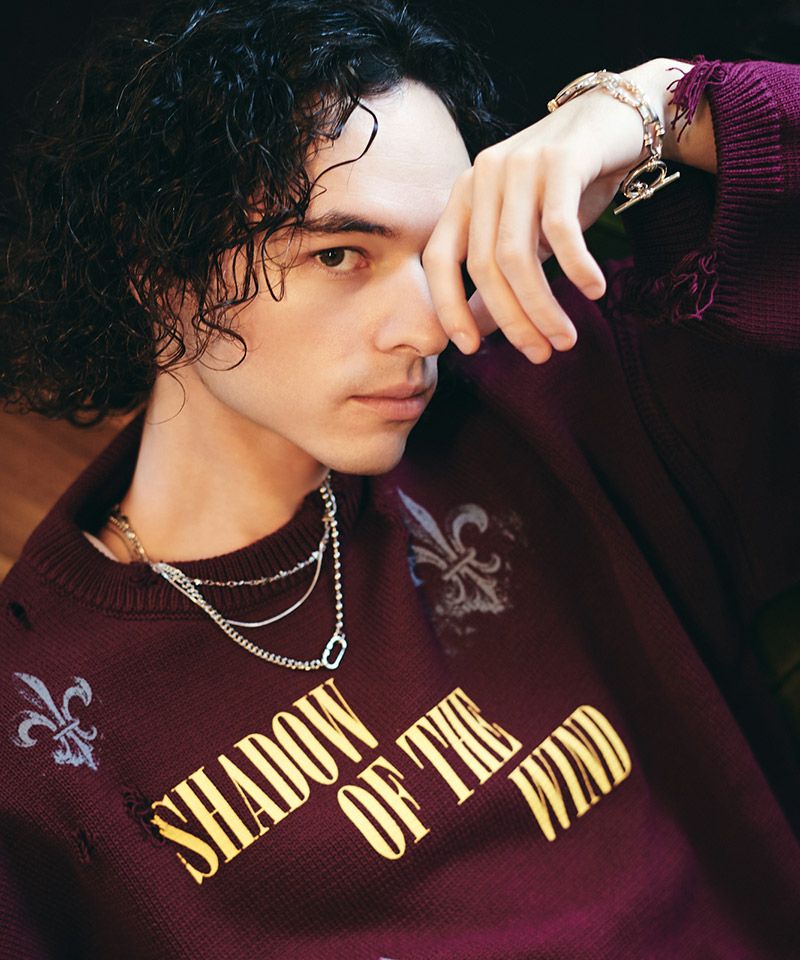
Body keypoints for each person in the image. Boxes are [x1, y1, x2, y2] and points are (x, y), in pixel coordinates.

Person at [1, 0, 798, 957]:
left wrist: (658, 105)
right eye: (340, 254)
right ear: (155, 270)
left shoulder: (553, 401)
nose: (428, 327)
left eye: (440, 253)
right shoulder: (37, 735)